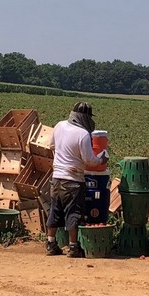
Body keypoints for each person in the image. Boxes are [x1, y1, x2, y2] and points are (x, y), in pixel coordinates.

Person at [45, 101, 109, 258]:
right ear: (86, 118)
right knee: (73, 212)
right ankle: (73, 247)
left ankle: (51, 243)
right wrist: (102, 159)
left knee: (55, 210)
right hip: (73, 180)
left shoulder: (59, 126)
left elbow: (51, 146)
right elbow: (89, 160)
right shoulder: (82, 134)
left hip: (57, 177)